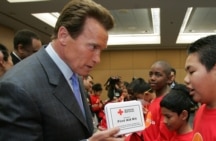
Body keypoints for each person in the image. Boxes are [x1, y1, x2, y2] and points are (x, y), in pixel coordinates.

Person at [0, 0, 124, 141]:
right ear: (63, 36)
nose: (97, 59)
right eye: (93, 47)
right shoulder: (17, 87)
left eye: (101, 50)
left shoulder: (75, 74)